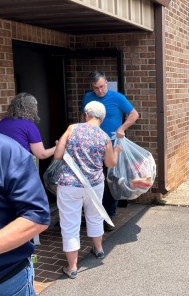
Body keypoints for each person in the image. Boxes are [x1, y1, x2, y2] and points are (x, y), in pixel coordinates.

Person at [0, 78, 51, 293]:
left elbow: (35, 215)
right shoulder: (29, 125)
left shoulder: (3, 123)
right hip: (20, 173)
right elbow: (41, 154)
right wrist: (58, 148)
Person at [54, 101, 122, 279]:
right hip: (94, 185)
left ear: (86, 115)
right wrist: (116, 151)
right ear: (102, 118)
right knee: (95, 216)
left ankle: (72, 266)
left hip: (70, 184)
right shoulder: (104, 137)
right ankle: (98, 249)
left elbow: (58, 155)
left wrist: (61, 143)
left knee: (70, 224)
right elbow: (110, 164)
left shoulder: (72, 129)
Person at [81, 70, 139, 231]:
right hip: (91, 148)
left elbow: (134, 114)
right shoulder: (88, 97)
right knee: (93, 181)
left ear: (106, 82)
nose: (99, 91)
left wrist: (122, 127)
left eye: (101, 86)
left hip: (112, 147)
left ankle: (109, 215)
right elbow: (83, 119)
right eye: (96, 88)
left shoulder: (117, 98)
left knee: (110, 181)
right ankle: (94, 215)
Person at [0, 92, 56, 159]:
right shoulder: (28, 126)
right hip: (20, 165)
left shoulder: (1, 123)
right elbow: (41, 154)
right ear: (32, 108)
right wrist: (58, 147)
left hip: (2, 164)